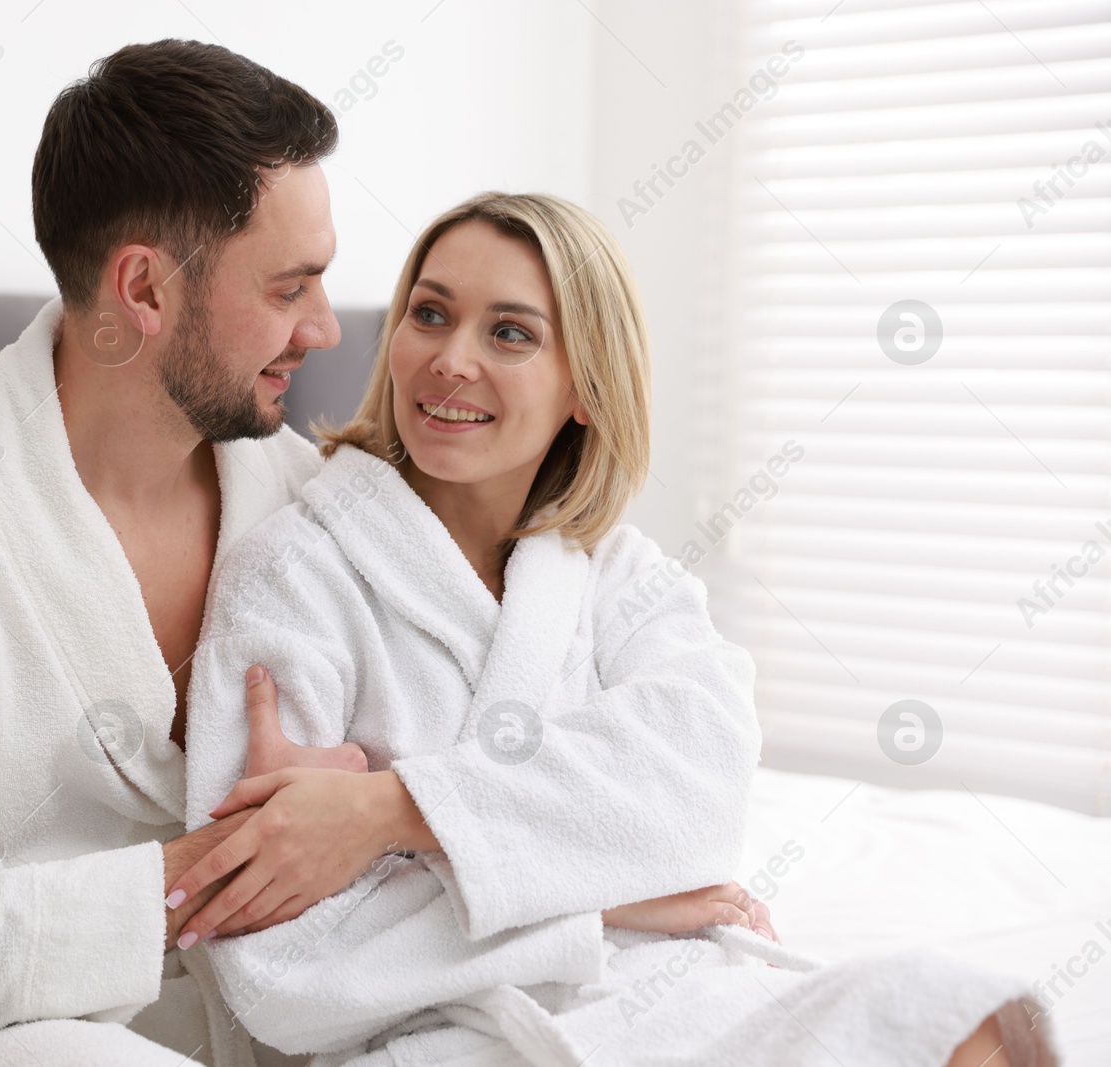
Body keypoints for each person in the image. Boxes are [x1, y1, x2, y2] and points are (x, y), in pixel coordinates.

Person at [174, 193, 1057, 1067]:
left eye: (510, 333)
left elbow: (699, 794)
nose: (450, 359)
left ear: (587, 389)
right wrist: (601, 908)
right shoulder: (293, 575)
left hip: (673, 993)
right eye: (430, 313)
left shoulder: (616, 575)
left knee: (949, 1013)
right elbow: (275, 969)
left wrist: (390, 810)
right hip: (458, 1037)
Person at [0, 39, 372, 1067]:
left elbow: (453, 772)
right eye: (289, 286)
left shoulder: (313, 506)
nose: (324, 329)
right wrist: (243, 863)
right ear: (145, 287)